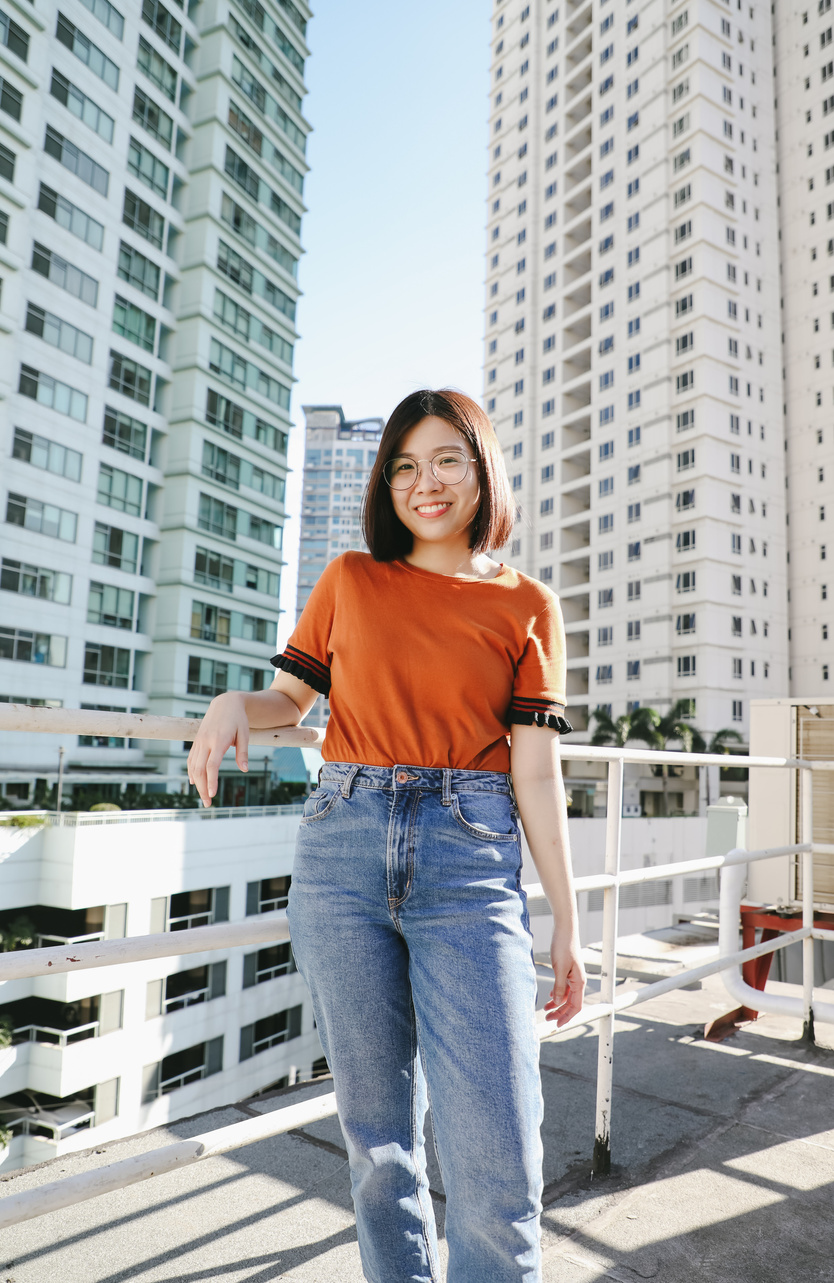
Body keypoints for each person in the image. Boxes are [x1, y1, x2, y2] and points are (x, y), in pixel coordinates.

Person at [188, 389, 586, 1283]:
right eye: (405, 465)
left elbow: (534, 771)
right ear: (386, 483)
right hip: (342, 849)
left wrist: (566, 917)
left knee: (501, 1152)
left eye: (447, 458)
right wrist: (227, 704)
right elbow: (289, 704)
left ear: (482, 470)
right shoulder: (350, 580)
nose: (426, 481)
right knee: (377, 1147)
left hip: (469, 861)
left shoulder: (527, 603)